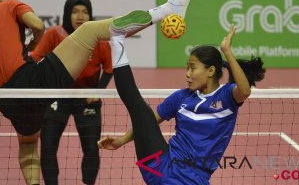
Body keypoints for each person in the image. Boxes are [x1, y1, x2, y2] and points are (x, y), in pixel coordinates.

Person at [0, 0, 196, 185]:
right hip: (30, 80)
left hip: (8, 100)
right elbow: (37, 25)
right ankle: (167, 9)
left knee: (27, 146)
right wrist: (33, 41)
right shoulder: (10, 6)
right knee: (90, 31)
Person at [98, 25, 265, 183]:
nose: (187, 74)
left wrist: (227, 51)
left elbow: (244, 91)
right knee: (137, 105)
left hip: (192, 179)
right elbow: (146, 124)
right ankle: (117, 39)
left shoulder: (227, 96)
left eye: (192, 68)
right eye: (187, 68)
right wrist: (121, 141)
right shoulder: (180, 97)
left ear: (211, 71)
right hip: (159, 166)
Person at [30, 0, 113, 185]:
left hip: (87, 97)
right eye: (75, 11)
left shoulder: (99, 38)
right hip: (57, 96)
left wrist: (98, 91)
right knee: (48, 148)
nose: (80, 16)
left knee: (92, 149)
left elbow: (109, 69)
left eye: (85, 12)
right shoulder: (54, 34)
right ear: (67, 14)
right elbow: (35, 59)